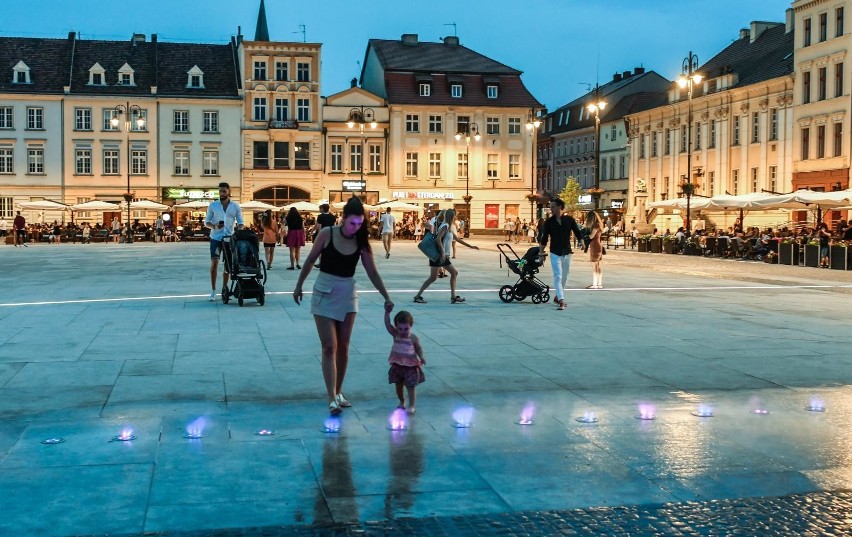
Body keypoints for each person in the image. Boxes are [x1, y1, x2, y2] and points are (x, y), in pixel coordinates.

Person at [293, 197, 394, 415]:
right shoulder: (327, 233)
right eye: (352, 224)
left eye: (359, 224)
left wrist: (386, 296)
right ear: (343, 218)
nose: (355, 228)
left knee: (344, 346)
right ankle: (331, 398)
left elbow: (372, 272)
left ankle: (338, 392)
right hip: (324, 291)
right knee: (329, 345)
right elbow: (310, 260)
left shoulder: (361, 242)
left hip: (348, 293)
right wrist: (299, 285)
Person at [413, 208, 479, 304]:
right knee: (454, 273)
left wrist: (470, 246)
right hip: (440, 255)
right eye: (455, 215)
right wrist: (443, 253)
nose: (456, 217)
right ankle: (453, 297)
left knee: (433, 277)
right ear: (451, 216)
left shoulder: (449, 226)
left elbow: (457, 239)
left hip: (440, 255)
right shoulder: (445, 226)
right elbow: (438, 239)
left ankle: (418, 296)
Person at [539, 198, 584, 311]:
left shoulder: (569, 220)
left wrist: (581, 241)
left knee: (565, 277)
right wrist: (540, 252)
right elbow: (544, 238)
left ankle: (557, 296)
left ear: (560, 207)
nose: (551, 209)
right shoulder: (549, 222)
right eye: (550, 207)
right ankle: (561, 300)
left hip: (567, 252)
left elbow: (577, 232)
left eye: (553, 207)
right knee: (558, 276)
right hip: (555, 252)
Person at [204, 182, 244, 301]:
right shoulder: (213, 205)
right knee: (214, 263)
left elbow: (241, 222)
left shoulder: (235, 206)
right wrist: (215, 226)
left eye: (224, 191)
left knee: (228, 266)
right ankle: (213, 290)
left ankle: (224, 289)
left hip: (229, 238)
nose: (221, 194)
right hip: (216, 238)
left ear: (229, 192)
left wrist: (239, 230)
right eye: (220, 191)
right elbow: (207, 222)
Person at [385, 309, 425, 415]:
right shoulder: (395, 334)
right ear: (397, 327)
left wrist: (421, 357)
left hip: (410, 366)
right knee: (398, 386)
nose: (403, 331)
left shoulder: (413, 338)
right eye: (400, 329)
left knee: (411, 386)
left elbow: (419, 348)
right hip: (397, 365)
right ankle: (402, 401)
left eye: (406, 329)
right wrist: (387, 313)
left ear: (411, 326)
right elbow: (388, 325)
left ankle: (411, 405)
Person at [584, 211, 604, 289]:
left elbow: (591, 236)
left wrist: (585, 234)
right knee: (598, 266)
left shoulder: (595, 225)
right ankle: (599, 283)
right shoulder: (599, 225)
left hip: (595, 245)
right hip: (598, 245)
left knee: (594, 265)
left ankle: (595, 284)